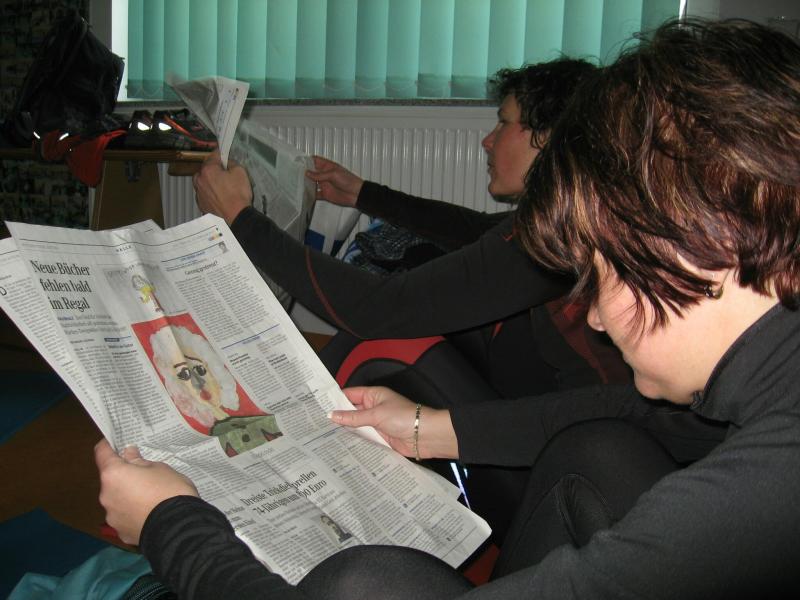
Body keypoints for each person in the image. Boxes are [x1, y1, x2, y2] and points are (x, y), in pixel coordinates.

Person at [96, 18, 800, 598]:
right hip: (570, 442)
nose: (593, 315)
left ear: (713, 239)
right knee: (596, 444)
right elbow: (628, 408)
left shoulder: (761, 488)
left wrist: (170, 524)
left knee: (363, 577)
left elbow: (402, 297)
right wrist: (424, 430)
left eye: (608, 268)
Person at [194, 59, 639, 542]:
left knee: (381, 343)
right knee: (420, 309)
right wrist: (364, 194)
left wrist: (241, 219)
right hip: (557, 436)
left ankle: (271, 482)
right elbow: (477, 232)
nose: (488, 140)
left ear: (548, 138)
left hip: (557, 478)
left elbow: (379, 309)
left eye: (504, 122)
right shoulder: (575, 217)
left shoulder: (555, 235)